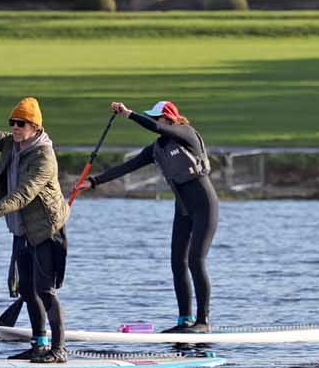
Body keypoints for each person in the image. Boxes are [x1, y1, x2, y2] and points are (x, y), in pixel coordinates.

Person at [73, 99, 218, 334]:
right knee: (177, 263)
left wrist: (129, 114)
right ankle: (184, 320)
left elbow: (158, 128)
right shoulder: (156, 149)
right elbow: (128, 166)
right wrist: (93, 182)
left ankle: (203, 321)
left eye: (156, 118)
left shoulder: (186, 133)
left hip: (205, 206)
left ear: (170, 119)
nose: (154, 122)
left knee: (195, 260)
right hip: (183, 209)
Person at [0, 97, 70, 363]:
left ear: (34, 126)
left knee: (45, 290)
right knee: (26, 289)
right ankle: (39, 344)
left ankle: (59, 350)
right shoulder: (13, 143)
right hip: (21, 228)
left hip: (46, 229)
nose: (14, 127)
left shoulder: (44, 156)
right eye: (12, 122)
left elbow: (25, 193)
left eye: (20, 123)